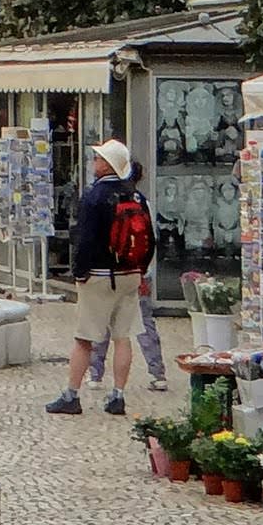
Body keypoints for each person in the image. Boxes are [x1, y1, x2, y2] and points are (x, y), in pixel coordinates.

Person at [46, 139, 153, 417]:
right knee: (123, 337)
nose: (94, 161)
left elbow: (85, 240)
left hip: (99, 276)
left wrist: (79, 273)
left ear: (107, 164)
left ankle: (71, 394)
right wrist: (140, 270)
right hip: (130, 274)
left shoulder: (94, 196)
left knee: (84, 338)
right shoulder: (136, 196)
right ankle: (118, 396)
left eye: (98, 158)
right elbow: (149, 239)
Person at [86, 160, 167, 392]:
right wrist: (145, 270)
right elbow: (150, 239)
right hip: (138, 271)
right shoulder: (142, 202)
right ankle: (157, 372)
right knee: (144, 323)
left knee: (101, 322)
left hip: (108, 272)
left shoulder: (104, 198)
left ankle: (95, 373)